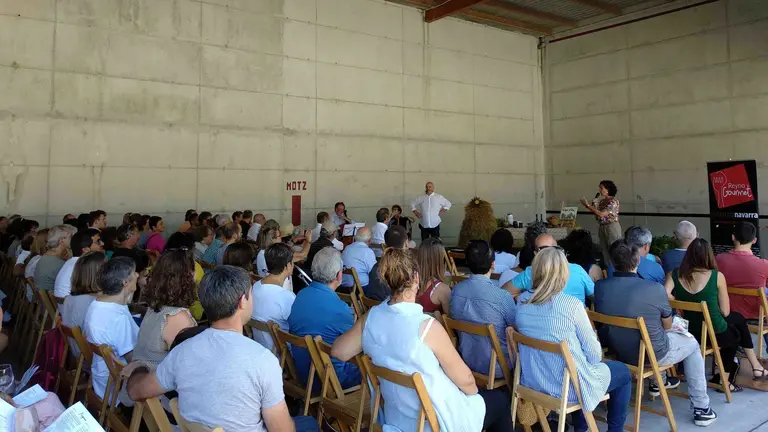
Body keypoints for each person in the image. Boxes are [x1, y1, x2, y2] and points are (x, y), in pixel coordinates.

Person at [126, 266, 318, 432]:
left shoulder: (182, 351)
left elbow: (137, 391)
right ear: (243, 301)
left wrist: (139, 369)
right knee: (308, 423)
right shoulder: (263, 360)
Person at [331, 248, 485, 431]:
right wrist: (473, 395)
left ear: (387, 281)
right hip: (431, 421)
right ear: (417, 278)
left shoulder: (372, 317)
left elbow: (339, 351)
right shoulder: (427, 326)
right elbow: (466, 380)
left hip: (394, 417)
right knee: (496, 402)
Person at [596, 241, 716, 426]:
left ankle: (659, 381)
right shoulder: (653, 289)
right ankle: (702, 408)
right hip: (651, 354)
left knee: (648, 335)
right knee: (691, 344)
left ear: (612, 261)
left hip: (616, 352)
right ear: (638, 261)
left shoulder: (601, 286)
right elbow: (667, 325)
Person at [516, 247, 631, 432]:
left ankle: (581, 427)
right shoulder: (572, 305)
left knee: (578, 367)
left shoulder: (522, 304)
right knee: (622, 373)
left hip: (535, 382)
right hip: (567, 388)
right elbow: (594, 357)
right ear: (564, 273)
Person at [667, 238, 768, 391]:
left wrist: (678, 304)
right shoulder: (716, 276)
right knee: (734, 335)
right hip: (713, 330)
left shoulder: (674, 274)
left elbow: (665, 293)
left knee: (738, 320)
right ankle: (725, 380)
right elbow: (725, 312)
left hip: (689, 329)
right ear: (709, 255)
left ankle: (756, 366)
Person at [449, 239, 515, 431]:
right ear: (493, 264)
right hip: (497, 367)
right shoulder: (501, 297)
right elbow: (515, 330)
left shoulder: (456, 291)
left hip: (467, 362)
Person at [288, 247, 361, 389]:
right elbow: (354, 348)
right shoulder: (341, 309)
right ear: (339, 275)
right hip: (332, 380)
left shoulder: (300, 296)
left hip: (303, 374)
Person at [84, 257, 140, 402]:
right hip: (116, 385)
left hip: (101, 376)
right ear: (125, 282)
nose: (138, 275)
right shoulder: (118, 318)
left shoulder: (96, 303)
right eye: (134, 273)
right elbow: (132, 358)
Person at [133, 250, 197, 371]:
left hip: (142, 379)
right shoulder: (177, 317)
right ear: (188, 275)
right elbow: (187, 365)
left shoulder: (154, 307)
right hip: (158, 385)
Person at [507, 234, 594, 305]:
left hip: (541, 324)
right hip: (577, 323)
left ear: (536, 254)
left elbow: (504, 294)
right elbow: (594, 296)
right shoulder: (577, 270)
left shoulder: (531, 272)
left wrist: (522, 300)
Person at [716, 221, 768, 321]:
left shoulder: (718, 260)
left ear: (733, 237)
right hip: (757, 315)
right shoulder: (764, 265)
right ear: (754, 240)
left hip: (727, 313)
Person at [251, 243, 297, 351]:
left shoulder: (255, 287)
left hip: (259, 347)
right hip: (282, 352)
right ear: (287, 266)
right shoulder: (286, 297)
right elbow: (300, 327)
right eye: (292, 262)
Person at [60, 251, 106, 356]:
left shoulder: (70, 298)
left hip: (79, 354)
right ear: (98, 274)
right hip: (92, 357)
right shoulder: (93, 303)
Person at [580, 180, 622, 265]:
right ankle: (608, 268)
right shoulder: (602, 202)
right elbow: (597, 215)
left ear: (607, 189)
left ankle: (617, 268)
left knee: (613, 248)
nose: (599, 190)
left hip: (611, 226)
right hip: (602, 226)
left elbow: (602, 214)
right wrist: (591, 206)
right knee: (604, 250)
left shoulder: (613, 202)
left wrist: (588, 206)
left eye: (601, 188)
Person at [53, 229, 102, 299]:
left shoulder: (71, 261)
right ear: (85, 249)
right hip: (71, 305)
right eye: (97, 242)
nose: (102, 244)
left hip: (66, 303)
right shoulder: (83, 264)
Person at [365, 225, 407, 301]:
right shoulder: (406, 268)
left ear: (385, 244)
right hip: (391, 307)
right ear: (406, 243)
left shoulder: (376, 266)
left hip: (373, 307)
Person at [414, 238, 451, 315]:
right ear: (440, 260)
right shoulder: (442, 289)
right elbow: (450, 321)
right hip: (434, 326)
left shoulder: (410, 282)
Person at [34, 225, 77, 291]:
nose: (73, 239)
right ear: (61, 241)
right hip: (57, 299)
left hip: (48, 297)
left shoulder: (48, 255)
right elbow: (75, 284)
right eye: (71, 237)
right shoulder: (57, 263)